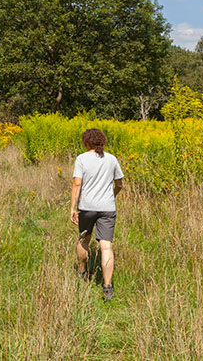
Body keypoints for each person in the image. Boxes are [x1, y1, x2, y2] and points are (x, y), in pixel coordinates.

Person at [70, 128, 124, 302]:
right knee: (106, 246)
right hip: (107, 208)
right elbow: (120, 184)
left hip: (87, 207)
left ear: (86, 142)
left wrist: (72, 208)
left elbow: (77, 184)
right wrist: (112, 196)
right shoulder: (111, 159)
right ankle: (107, 287)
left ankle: (82, 271)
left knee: (83, 239)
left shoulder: (81, 159)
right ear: (102, 141)